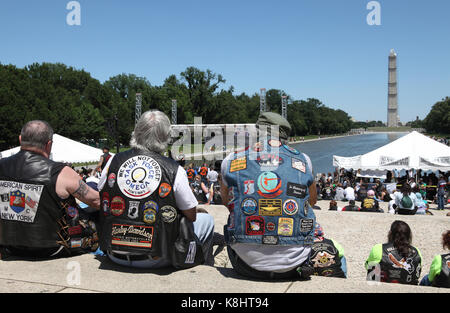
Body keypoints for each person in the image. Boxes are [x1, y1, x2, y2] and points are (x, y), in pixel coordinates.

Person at [97, 110, 215, 269]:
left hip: (114, 253)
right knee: (207, 220)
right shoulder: (174, 169)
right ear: (165, 137)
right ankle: (205, 267)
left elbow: (100, 193)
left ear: (136, 133)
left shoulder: (113, 161)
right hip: (155, 258)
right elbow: (191, 215)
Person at [220, 112, 317, 280]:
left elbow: (226, 201)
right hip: (294, 264)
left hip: (245, 263)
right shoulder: (304, 160)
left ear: (258, 132)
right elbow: (312, 201)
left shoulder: (231, 159)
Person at [0, 120, 100, 258]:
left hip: (8, 247)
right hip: (52, 250)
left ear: (20, 139)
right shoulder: (60, 172)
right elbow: (97, 201)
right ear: (49, 144)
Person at [365, 220, 422, 285]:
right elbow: (417, 272)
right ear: (409, 236)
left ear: (390, 234)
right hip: (408, 287)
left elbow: (369, 267)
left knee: (373, 271)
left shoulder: (379, 248)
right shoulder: (417, 252)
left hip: (381, 288)